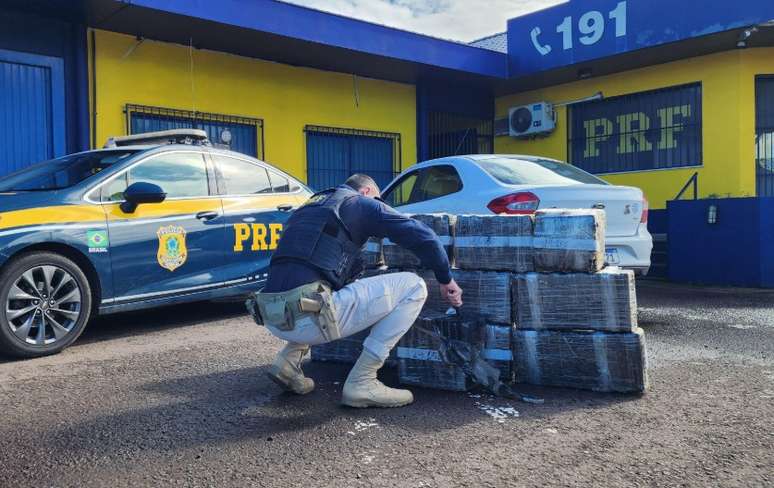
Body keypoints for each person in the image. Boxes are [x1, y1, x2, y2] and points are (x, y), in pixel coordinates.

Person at [249, 174, 462, 408]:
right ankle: (363, 380)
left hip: (273, 317)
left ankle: (287, 362)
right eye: (378, 200)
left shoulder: (311, 206)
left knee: (320, 285)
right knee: (414, 286)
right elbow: (423, 236)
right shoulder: (359, 203)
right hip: (309, 320)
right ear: (366, 192)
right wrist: (446, 279)